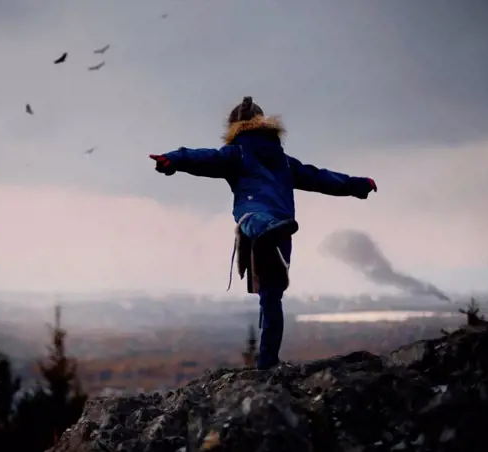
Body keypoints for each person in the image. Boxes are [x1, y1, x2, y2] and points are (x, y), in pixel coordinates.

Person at [149, 96, 377, 370]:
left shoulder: (237, 153)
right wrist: (358, 185)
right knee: (271, 296)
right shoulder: (285, 161)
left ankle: (264, 230)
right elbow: (320, 177)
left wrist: (171, 161)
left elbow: (202, 158)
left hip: (262, 222)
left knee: (247, 217)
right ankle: (268, 361)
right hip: (284, 227)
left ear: (234, 128)